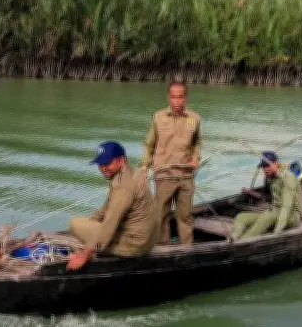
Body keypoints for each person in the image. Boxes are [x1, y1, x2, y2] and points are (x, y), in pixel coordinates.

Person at [66, 141, 159, 271]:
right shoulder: (132, 173)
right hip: (147, 241)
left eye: (107, 163)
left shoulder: (123, 187)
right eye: (100, 164)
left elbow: (109, 225)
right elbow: (106, 208)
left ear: (121, 160)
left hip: (133, 246)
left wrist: (84, 256)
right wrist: (91, 223)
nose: (103, 168)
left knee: (74, 223)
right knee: (86, 223)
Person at [140, 81, 202, 245]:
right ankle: (163, 248)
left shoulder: (194, 118)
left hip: (186, 175)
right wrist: (144, 166)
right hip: (164, 175)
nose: (177, 101)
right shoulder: (158, 118)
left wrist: (196, 158)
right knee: (161, 215)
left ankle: (187, 249)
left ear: (185, 98)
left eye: (180, 97)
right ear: (168, 97)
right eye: (173, 97)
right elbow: (149, 144)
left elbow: (197, 143)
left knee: (186, 216)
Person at [231, 151, 302, 240]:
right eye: (263, 166)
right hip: (273, 212)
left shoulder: (287, 178)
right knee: (241, 217)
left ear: (276, 163)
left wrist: (278, 230)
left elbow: (286, 207)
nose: (266, 169)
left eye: (268, 165)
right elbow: (268, 197)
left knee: (266, 218)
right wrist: (252, 193)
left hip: (292, 216)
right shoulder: (269, 178)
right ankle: (233, 239)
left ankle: (242, 243)